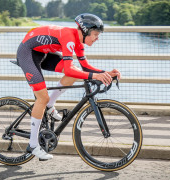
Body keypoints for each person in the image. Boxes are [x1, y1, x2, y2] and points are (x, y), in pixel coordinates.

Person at [16, 13, 121, 160]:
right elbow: (74, 69)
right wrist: (95, 76)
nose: (98, 38)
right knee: (42, 98)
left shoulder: (79, 42)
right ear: (85, 31)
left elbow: (85, 67)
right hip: (27, 53)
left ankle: (49, 105)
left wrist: (106, 73)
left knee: (74, 73)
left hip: (43, 53)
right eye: (96, 34)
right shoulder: (69, 37)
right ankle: (33, 145)